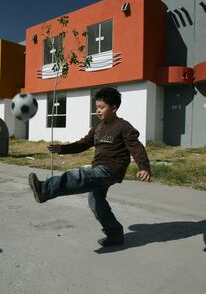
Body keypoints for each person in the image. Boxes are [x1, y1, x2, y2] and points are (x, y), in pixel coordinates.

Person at [28, 87, 151, 247]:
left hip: (111, 169)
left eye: (102, 107)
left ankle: (45, 189)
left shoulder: (123, 126)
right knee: (95, 200)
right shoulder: (98, 128)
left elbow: (136, 147)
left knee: (80, 177)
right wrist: (62, 149)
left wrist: (144, 166)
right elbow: (83, 144)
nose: (98, 111)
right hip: (99, 168)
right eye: (96, 108)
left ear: (114, 108)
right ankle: (115, 234)